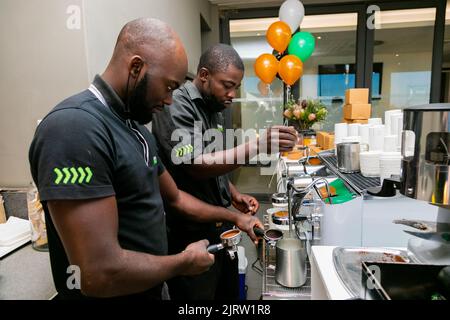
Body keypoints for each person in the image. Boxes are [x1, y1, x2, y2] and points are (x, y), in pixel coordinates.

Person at [28, 18, 262, 300]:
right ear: (136, 67)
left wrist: (236, 217)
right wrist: (181, 263)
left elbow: (175, 198)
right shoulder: (73, 129)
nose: (170, 101)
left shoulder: (136, 129)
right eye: (168, 87)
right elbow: (97, 274)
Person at [152, 44, 297, 300]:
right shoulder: (177, 106)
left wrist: (233, 194)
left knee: (226, 293)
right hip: (189, 231)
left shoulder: (214, 107)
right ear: (205, 75)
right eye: (227, 85)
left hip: (219, 225)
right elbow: (195, 165)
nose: (232, 94)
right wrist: (257, 146)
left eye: (236, 88)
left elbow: (214, 161)